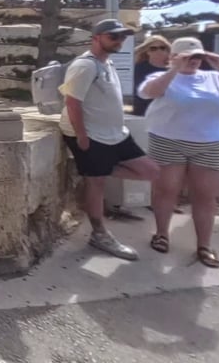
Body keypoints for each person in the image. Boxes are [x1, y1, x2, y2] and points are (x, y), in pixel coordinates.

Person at [60, 19, 159, 260]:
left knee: (151, 172)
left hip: (116, 134)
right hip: (92, 135)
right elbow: (73, 102)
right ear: (97, 38)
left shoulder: (107, 63)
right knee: (97, 185)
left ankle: (97, 170)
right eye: (113, 36)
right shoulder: (84, 65)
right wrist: (82, 136)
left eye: (122, 37)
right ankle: (99, 234)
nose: (119, 41)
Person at [139, 37, 219, 268]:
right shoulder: (161, 77)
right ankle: (161, 234)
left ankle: (204, 245)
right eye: (188, 56)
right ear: (174, 57)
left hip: (210, 143)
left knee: (205, 196)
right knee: (166, 191)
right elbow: (148, 92)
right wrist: (174, 69)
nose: (193, 60)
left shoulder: (215, 77)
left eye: (197, 56)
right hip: (168, 140)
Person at [132, 34, 171, 116]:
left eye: (162, 48)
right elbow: (139, 91)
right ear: (147, 51)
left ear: (167, 50)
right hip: (144, 111)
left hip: (168, 111)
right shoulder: (140, 68)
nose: (158, 51)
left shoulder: (173, 68)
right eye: (153, 48)